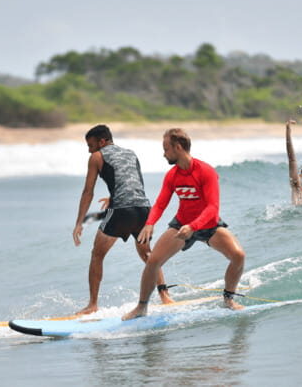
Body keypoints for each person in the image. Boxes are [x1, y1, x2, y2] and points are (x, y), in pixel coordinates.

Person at [122, 128, 246, 320]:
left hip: (208, 226)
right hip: (181, 224)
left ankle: (229, 299)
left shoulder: (206, 171)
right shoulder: (172, 175)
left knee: (238, 255)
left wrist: (194, 227)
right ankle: (141, 307)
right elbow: (161, 203)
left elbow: (212, 208)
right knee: (153, 261)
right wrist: (150, 223)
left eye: (166, 148)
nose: (163, 153)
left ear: (178, 147)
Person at [72, 125, 174, 315]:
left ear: (102, 142)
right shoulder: (131, 153)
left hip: (121, 211)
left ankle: (92, 305)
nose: (89, 150)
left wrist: (79, 222)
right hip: (143, 209)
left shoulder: (97, 157)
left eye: (91, 145)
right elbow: (133, 183)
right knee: (147, 255)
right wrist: (114, 197)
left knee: (97, 255)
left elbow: (88, 191)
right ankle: (165, 295)